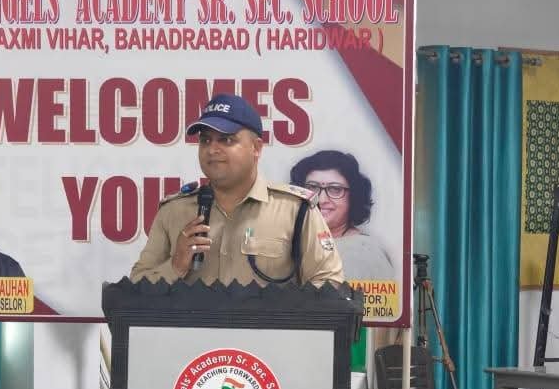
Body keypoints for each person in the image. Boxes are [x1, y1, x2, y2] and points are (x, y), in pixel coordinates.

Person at [130, 94, 344, 287]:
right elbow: (135, 288)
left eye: (226, 140)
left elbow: (329, 284)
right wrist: (175, 265)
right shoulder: (174, 211)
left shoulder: (295, 211)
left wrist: (279, 313)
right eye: (205, 140)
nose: (212, 149)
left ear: (256, 148)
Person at [289, 150, 393, 281]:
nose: (321, 200)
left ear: (353, 197)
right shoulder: (293, 242)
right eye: (312, 187)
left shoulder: (366, 252)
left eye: (335, 189)